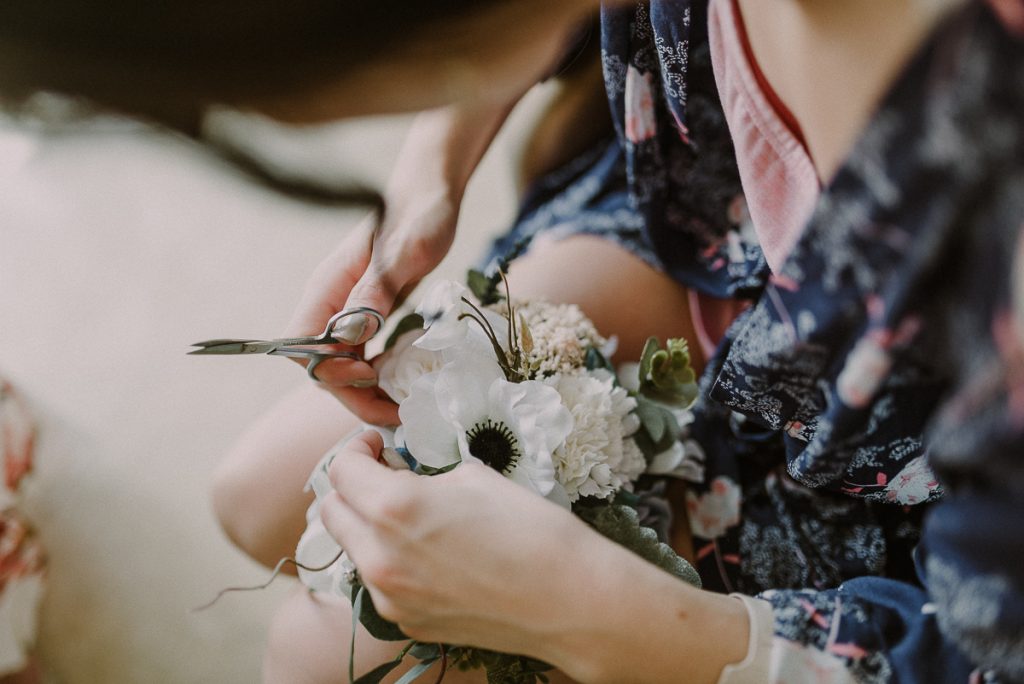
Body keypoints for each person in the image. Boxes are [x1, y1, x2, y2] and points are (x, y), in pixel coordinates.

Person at [2, 1, 1023, 682]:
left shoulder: (992, 236)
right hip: (698, 236)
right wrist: (430, 171)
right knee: (255, 498)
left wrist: (588, 613)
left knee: (311, 654)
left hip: (903, 512)